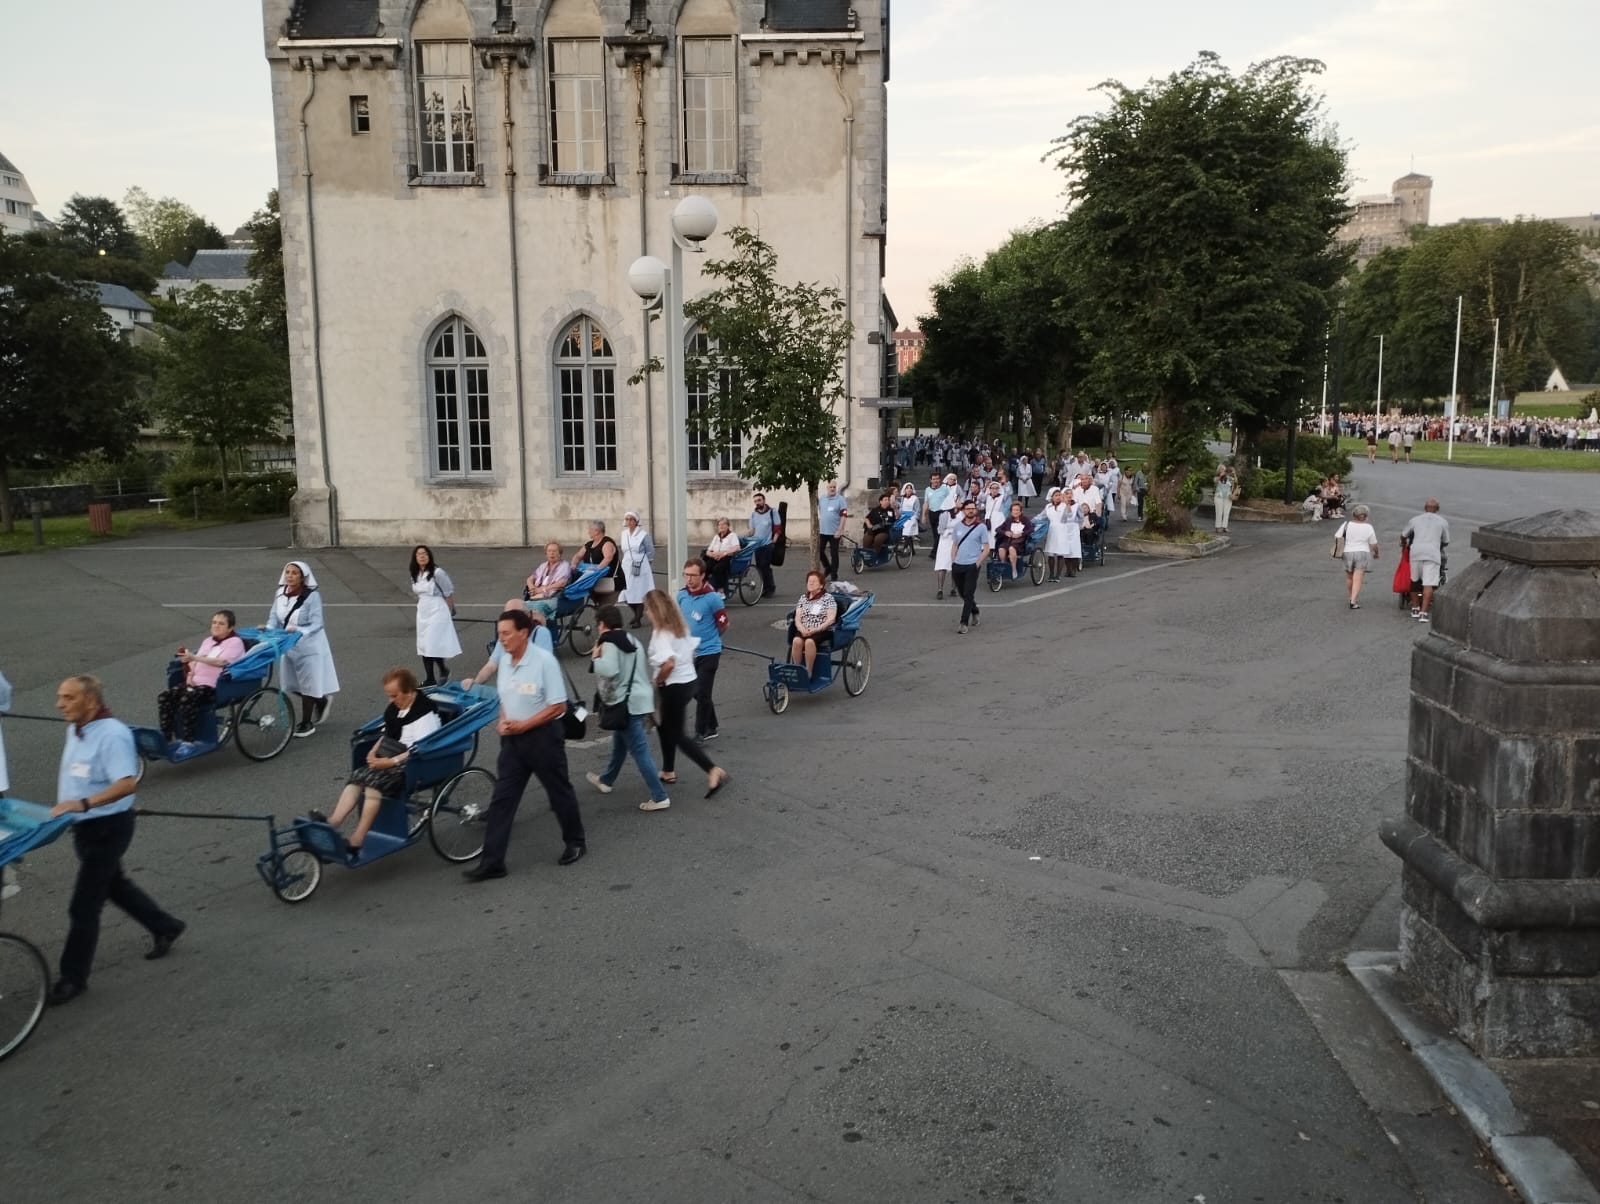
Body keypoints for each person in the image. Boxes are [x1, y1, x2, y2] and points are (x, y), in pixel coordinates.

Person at [45, 675, 185, 1006]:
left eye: (68, 698)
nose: (59, 704)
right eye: (59, 697)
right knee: (114, 885)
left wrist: (82, 804)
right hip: (85, 827)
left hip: (108, 828)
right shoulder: (76, 728)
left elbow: (125, 784)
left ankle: (73, 977)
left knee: (84, 905)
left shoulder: (113, 735)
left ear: (91, 702)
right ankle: (166, 926)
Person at [458, 610, 586, 877]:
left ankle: (575, 842)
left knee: (559, 792)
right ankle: (493, 862)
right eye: (499, 633)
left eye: (506, 633)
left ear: (523, 633)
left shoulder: (544, 662)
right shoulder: (505, 660)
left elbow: (558, 706)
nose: (501, 639)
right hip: (513, 741)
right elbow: (506, 695)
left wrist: (524, 725)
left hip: (543, 739)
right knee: (502, 800)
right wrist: (504, 720)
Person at [309, 668, 441, 861]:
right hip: (390, 756)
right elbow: (388, 733)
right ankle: (333, 821)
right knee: (356, 779)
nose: (390, 700)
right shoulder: (397, 708)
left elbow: (420, 749)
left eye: (394, 696)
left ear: (409, 691)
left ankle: (357, 839)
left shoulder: (424, 715)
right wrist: (373, 752)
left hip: (411, 764)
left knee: (372, 787)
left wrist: (390, 762)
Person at [644, 590, 729, 801]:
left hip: (673, 686)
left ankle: (712, 769)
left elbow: (669, 663)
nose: (645, 612)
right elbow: (689, 652)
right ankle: (668, 770)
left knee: (677, 735)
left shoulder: (661, 633)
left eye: (647, 608)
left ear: (655, 610)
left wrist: (659, 680)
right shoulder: (679, 627)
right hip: (688, 681)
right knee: (665, 728)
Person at [585, 606, 670, 810]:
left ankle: (659, 797)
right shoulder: (631, 640)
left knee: (639, 750)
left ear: (602, 624)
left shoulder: (609, 643)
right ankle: (606, 780)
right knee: (620, 744)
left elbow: (610, 669)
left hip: (625, 703)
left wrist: (595, 658)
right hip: (639, 699)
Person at [268, 560, 340, 738]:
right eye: (288, 572)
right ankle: (320, 699)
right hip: (288, 644)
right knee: (291, 684)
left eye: (294, 573)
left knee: (308, 684)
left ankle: (307, 723)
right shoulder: (280, 594)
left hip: (309, 645)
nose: (290, 576)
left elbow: (317, 623)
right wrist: (268, 630)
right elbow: (274, 618)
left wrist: (301, 631)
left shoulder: (312, 596)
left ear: (302, 577)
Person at [158, 610, 246, 745]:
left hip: (215, 686)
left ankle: (189, 741)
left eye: (221, 624)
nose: (216, 626)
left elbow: (221, 662)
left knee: (186, 699)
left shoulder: (235, 642)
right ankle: (167, 737)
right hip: (195, 683)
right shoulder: (208, 641)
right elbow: (195, 662)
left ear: (230, 628)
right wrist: (189, 674)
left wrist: (195, 657)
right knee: (164, 697)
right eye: (214, 622)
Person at [677, 559, 728, 742]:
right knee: (696, 692)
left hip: (709, 652)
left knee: (703, 691)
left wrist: (712, 640)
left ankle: (700, 732)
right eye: (686, 574)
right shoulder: (681, 596)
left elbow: (724, 624)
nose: (689, 579)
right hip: (689, 652)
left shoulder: (712, 598)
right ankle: (712, 725)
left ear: (703, 576)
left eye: (693, 575)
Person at [410, 545, 460, 686]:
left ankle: (438, 673)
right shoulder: (415, 574)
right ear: (415, 558)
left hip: (438, 609)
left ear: (429, 556)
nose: (422, 556)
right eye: (419, 554)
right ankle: (434, 676)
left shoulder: (438, 573)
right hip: (423, 611)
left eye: (425, 553)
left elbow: (448, 593)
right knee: (424, 645)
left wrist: (449, 613)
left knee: (432, 643)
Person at [949, 498, 994, 634]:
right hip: (958, 564)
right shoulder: (958, 526)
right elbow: (955, 544)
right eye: (968, 509)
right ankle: (974, 609)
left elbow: (986, 548)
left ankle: (963, 622)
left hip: (972, 565)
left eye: (973, 509)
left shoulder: (981, 527)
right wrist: (953, 560)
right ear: (963, 511)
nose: (971, 511)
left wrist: (977, 563)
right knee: (962, 593)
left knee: (968, 593)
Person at [1403, 498, 1450, 623]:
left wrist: (1403, 545)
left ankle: (1414, 608)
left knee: (1414, 580)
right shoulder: (1443, 522)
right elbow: (1445, 541)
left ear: (1425, 508)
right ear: (1438, 509)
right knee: (1428, 583)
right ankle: (1423, 613)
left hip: (1416, 552)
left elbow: (1404, 535)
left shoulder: (1415, 520)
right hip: (1432, 554)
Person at [789, 571, 839, 678]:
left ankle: (808, 672)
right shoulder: (803, 598)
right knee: (796, 641)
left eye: (814, 581)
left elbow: (831, 619)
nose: (810, 583)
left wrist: (816, 629)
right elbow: (797, 617)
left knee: (809, 642)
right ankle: (797, 670)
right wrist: (801, 629)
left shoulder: (828, 598)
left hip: (822, 629)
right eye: (809, 581)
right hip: (804, 628)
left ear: (821, 585)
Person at [1334, 504, 1380, 609]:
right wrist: (1376, 553)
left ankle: (1351, 596)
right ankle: (1353, 601)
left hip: (1347, 552)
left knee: (1349, 577)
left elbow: (1337, 536)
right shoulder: (1368, 527)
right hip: (1362, 553)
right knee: (1358, 578)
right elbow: (1374, 544)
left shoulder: (1346, 524)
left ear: (1354, 514)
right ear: (1366, 516)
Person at [618, 510, 655, 628]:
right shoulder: (624, 534)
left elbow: (650, 550)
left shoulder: (643, 535)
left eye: (632, 519)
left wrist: (647, 564)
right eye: (627, 519)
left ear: (636, 521)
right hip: (627, 564)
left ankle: (638, 618)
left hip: (640, 564)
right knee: (626, 591)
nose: (629, 522)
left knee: (639, 591)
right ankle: (636, 614)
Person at [571, 520, 619, 606]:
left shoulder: (607, 543)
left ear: (597, 531)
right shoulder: (589, 544)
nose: (588, 531)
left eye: (590, 529)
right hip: (594, 581)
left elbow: (608, 558)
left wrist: (596, 570)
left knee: (605, 609)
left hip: (608, 581)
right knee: (599, 608)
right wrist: (574, 564)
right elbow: (578, 556)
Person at [524, 541, 572, 621]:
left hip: (554, 597)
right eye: (549, 551)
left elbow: (562, 583)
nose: (551, 553)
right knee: (519, 607)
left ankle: (538, 630)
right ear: (546, 554)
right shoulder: (543, 565)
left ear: (560, 553)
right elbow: (530, 579)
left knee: (537, 608)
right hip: (537, 597)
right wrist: (532, 588)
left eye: (554, 551)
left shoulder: (564, 566)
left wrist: (542, 589)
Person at [1043, 487, 1081, 581]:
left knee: (1060, 553)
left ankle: (1058, 575)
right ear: (1051, 497)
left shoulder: (1064, 506)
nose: (1058, 497)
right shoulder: (1048, 507)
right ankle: (1051, 574)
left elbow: (1069, 516)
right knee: (1051, 554)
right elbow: (1042, 516)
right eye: (1056, 495)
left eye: (1059, 495)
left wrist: (1067, 506)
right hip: (1052, 530)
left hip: (1062, 530)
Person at [749, 492, 782, 597]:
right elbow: (752, 531)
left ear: (764, 500)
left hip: (768, 544)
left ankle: (770, 588)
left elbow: (777, 527)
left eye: (759, 500)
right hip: (757, 545)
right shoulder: (753, 515)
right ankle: (765, 587)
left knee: (765, 566)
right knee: (760, 567)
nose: (757, 503)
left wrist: (774, 541)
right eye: (755, 501)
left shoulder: (772, 512)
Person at [817, 481, 849, 582]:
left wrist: (840, 530)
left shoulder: (840, 499)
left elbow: (844, 515)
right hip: (823, 531)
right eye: (830, 487)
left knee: (834, 553)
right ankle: (828, 567)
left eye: (834, 487)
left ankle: (834, 575)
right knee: (819, 551)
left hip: (835, 532)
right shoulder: (822, 499)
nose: (832, 489)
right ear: (827, 487)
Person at [703, 517, 741, 596]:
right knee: (705, 567)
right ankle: (705, 585)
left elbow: (737, 547)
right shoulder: (716, 537)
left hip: (726, 558)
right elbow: (708, 550)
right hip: (714, 557)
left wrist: (723, 553)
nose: (721, 526)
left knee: (717, 569)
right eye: (719, 525)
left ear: (728, 526)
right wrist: (712, 554)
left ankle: (721, 591)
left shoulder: (732, 535)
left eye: (724, 524)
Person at [995, 500, 1029, 578]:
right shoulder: (1008, 520)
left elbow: (1030, 530)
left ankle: (1014, 569)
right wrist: (1005, 532)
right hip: (1008, 541)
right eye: (1013, 510)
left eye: (1017, 510)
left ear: (1021, 511)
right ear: (1011, 511)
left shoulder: (1025, 520)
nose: (1015, 512)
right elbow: (998, 529)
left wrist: (1021, 534)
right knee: (1001, 549)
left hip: (1019, 543)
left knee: (1011, 548)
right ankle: (1004, 566)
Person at [921, 471, 951, 560]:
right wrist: (923, 515)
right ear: (931, 480)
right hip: (932, 512)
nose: (936, 481)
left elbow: (949, 501)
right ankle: (940, 551)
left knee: (939, 533)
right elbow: (926, 503)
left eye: (937, 479)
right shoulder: (927, 490)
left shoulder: (945, 489)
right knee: (935, 534)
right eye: (934, 479)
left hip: (941, 512)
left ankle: (933, 553)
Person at [933, 501, 956, 599]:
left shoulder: (960, 514)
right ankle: (940, 589)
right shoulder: (944, 515)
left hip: (956, 542)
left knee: (955, 565)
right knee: (943, 565)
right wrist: (950, 532)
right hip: (945, 542)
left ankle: (953, 588)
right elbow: (940, 530)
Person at [1213, 465, 1237, 534]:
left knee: (1226, 512)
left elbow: (1235, 481)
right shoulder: (1216, 477)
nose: (1223, 470)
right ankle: (1218, 527)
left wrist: (1234, 473)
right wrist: (1220, 476)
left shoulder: (1229, 478)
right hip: (1218, 497)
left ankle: (1224, 527)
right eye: (1222, 469)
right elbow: (1215, 481)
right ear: (1219, 470)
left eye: (1224, 469)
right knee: (1219, 512)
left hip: (1228, 497)